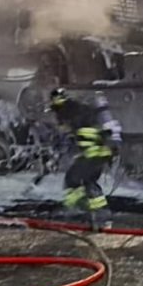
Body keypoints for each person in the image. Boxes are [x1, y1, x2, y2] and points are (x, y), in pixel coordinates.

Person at [49, 88, 120, 229]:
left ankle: (87, 212)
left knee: (75, 179)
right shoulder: (81, 113)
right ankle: (95, 214)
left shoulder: (71, 112)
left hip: (95, 153)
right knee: (85, 181)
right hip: (97, 153)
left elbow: (79, 135)